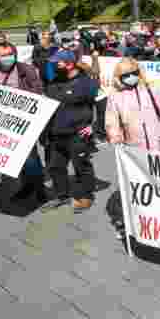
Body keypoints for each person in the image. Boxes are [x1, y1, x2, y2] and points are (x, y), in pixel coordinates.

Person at [105, 58, 160, 239]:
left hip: (157, 149)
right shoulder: (115, 96)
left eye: (134, 73)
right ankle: (128, 224)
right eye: (126, 75)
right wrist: (116, 139)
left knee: (159, 186)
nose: (131, 77)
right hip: (133, 151)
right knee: (135, 190)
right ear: (119, 77)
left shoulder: (150, 90)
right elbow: (112, 122)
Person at [41, 51, 99, 213]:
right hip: (56, 133)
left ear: (69, 64)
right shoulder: (54, 82)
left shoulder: (87, 83)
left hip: (77, 134)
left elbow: (102, 104)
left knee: (81, 166)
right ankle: (62, 195)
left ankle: (86, 196)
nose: (54, 65)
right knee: (55, 167)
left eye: (57, 62)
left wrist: (94, 127)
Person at [0, 43, 47, 202]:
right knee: (16, 156)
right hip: (3, 121)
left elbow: (37, 90)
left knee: (30, 157)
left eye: (10, 54)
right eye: (4, 55)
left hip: (24, 120)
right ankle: (26, 186)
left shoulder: (26, 70)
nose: (8, 57)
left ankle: (39, 189)